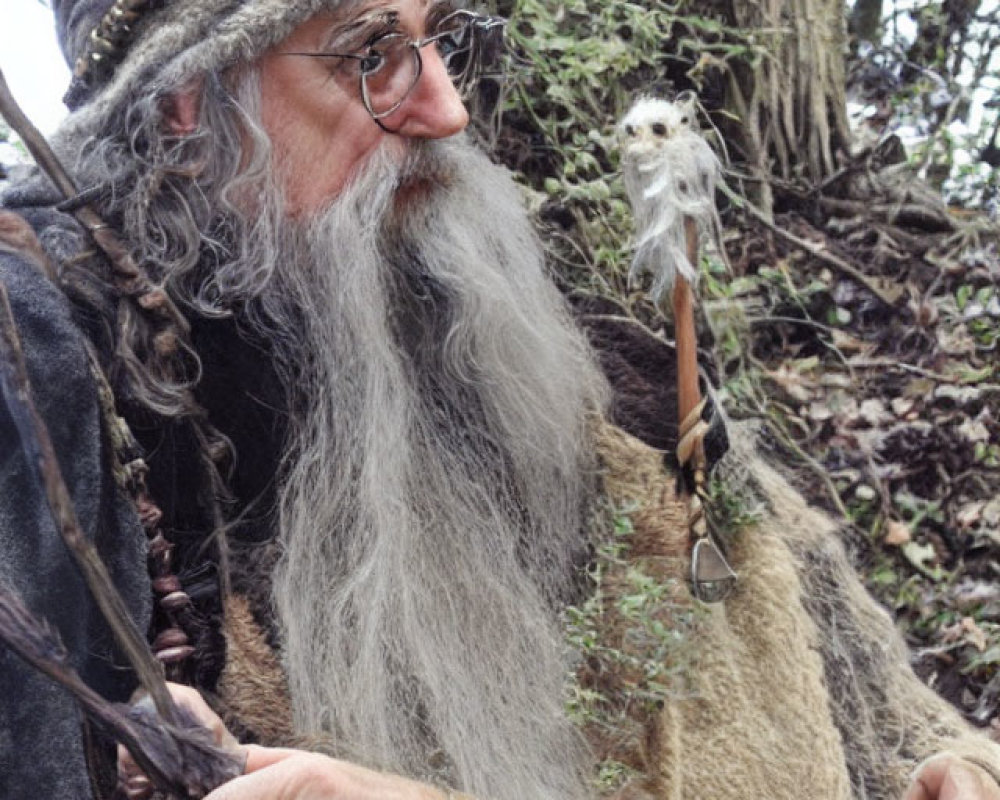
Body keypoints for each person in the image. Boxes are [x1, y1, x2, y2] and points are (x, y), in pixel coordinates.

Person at [1, 1, 999, 798]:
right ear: (189, 101)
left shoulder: (596, 375)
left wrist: (954, 763)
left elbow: (885, 710)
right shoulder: (73, 395)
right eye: (372, 56)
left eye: (439, 40)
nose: (447, 108)